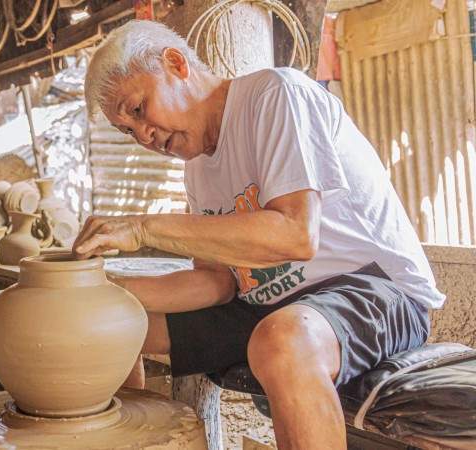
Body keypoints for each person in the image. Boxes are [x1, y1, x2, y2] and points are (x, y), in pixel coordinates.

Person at [74, 20, 444, 449]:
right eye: (127, 130)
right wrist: (110, 292)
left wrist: (144, 226)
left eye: (138, 109)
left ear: (175, 64)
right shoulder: (197, 169)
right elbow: (216, 281)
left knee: (282, 340)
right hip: (275, 306)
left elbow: (295, 235)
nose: (142, 136)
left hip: (375, 289)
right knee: (114, 325)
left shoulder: (274, 95)